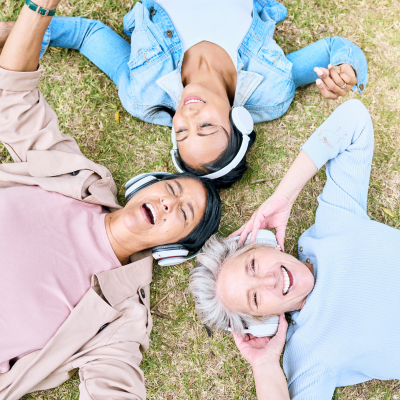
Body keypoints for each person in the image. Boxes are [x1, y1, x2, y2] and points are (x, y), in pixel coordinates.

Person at [0, 2, 221, 398]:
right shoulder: (74, 177)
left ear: (173, 249)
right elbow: (14, 97)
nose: (169, 203)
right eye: (171, 189)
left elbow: (115, 386)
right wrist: (38, 8)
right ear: (148, 184)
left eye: (182, 213)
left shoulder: (121, 318)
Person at [0, 0, 368, 188]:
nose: (188, 117)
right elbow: (337, 47)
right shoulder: (273, 90)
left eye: (180, 132)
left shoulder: (142, 93)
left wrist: (14, 32)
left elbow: (88, 36)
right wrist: (347, 71)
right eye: (206, 127)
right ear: (238, 120)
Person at [189, 99, 400, 399]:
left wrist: (284, 196)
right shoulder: (308, 354)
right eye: (256, 297)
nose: (269, 280)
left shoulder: (334, 222)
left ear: (263, 242)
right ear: (264, 323)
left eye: (253, 266)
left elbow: (355, 120)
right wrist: (263, 364)